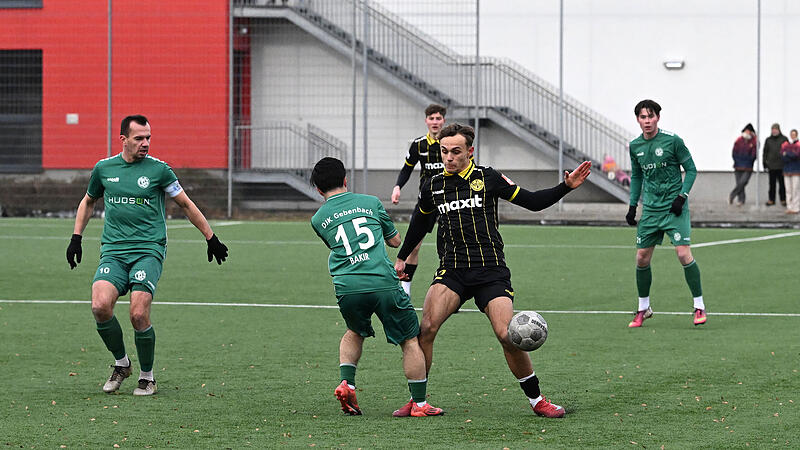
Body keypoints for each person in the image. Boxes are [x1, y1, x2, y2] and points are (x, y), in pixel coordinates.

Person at [392, 123, 591, 418]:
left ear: (470, 151)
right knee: (426, 329)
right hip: (452, 270)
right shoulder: (432, 185)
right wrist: (403, 256)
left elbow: (533, 202)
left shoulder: (488, 178)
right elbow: (421, 223)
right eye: (444, 152)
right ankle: (418, 402)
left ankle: (537, 401)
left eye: (456, 152)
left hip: (490, 270)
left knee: (507, 334)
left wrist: (566, 187)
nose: (449, 157)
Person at [66, 115, 229, 396]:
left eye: (149, 138)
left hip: (148, 250)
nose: (145, 143)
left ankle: (147, 375)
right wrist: (76, 237)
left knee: (138, 312)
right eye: (139, 138)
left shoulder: (159, 171)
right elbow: (89, 201)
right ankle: (121, 363)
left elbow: (186, 205)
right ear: (123, 139)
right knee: (99, 306)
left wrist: (210, 237)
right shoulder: (104, 169)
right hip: (114, 252)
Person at [310, 157, 444, 417]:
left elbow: (337, 245)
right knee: (409, 339)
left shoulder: (318, 219)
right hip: (381, 281)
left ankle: (346, 382)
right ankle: (418, 404)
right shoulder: (370, 203)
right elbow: (395, 242)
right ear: (346, 179)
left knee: (354, 331)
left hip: (347, 285)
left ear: (318, 189)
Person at [625, 100, 706, 328]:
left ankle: (699, 305)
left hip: (674, 207)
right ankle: (643, 308)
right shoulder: (635, 146)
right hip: (651, 209)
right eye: (643, 117)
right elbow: (637, 176)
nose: (647, 121)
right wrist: (632, 206)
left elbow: (691, 170)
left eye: (651, 116)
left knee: (682, 254)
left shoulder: (672, 141)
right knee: (641, 257)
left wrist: (682, 196)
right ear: (638, 120)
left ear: (658, 118)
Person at [390, 104, 447, 296]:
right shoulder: (419, 144)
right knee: (414, 245)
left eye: (438, 118)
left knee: (449, 247)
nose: (435, 122)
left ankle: (450, 291)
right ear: (426, 121)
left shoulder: (450, 143)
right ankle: (406, 288)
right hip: (427, 201)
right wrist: (398, 187)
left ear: (443, 121)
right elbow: (407, 168)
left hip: (450, 200)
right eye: (431, 118)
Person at [729, 123, 757, 206]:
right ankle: (741, 200)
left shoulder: (754, 142)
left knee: (743, 182)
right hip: (738, 166)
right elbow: (734, 153)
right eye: (746, 131)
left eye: (749, 131)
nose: (747, 133)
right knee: (739, 184)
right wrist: (738, 160)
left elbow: (754, 155)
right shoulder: (738, 140)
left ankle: (732, 195)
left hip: (748, 167)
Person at [763, 123, 788, 206]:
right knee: (772, 184)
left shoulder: (784, 139)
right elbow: (765, 152)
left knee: (782, 184)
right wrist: (765, 164)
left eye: (775, 129)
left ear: (779, 130)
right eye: (772, 129)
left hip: (781, 165)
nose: (774, 131)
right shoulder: (768, 140)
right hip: (771, 166)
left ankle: (783, 199)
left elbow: (787, 151)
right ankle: (771, 199)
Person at [781, 129, 800, 214]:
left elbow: (796, 155)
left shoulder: (798, 144)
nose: (792, 136)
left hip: (796, 170)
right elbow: (782, 156)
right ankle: (789, 207)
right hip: (787, 170)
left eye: (794, 134)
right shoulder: (785, 144)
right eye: (791, 134)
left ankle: (796, 207)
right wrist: (790, 154)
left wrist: (787, 154)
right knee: (788, 189)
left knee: (795, 189)